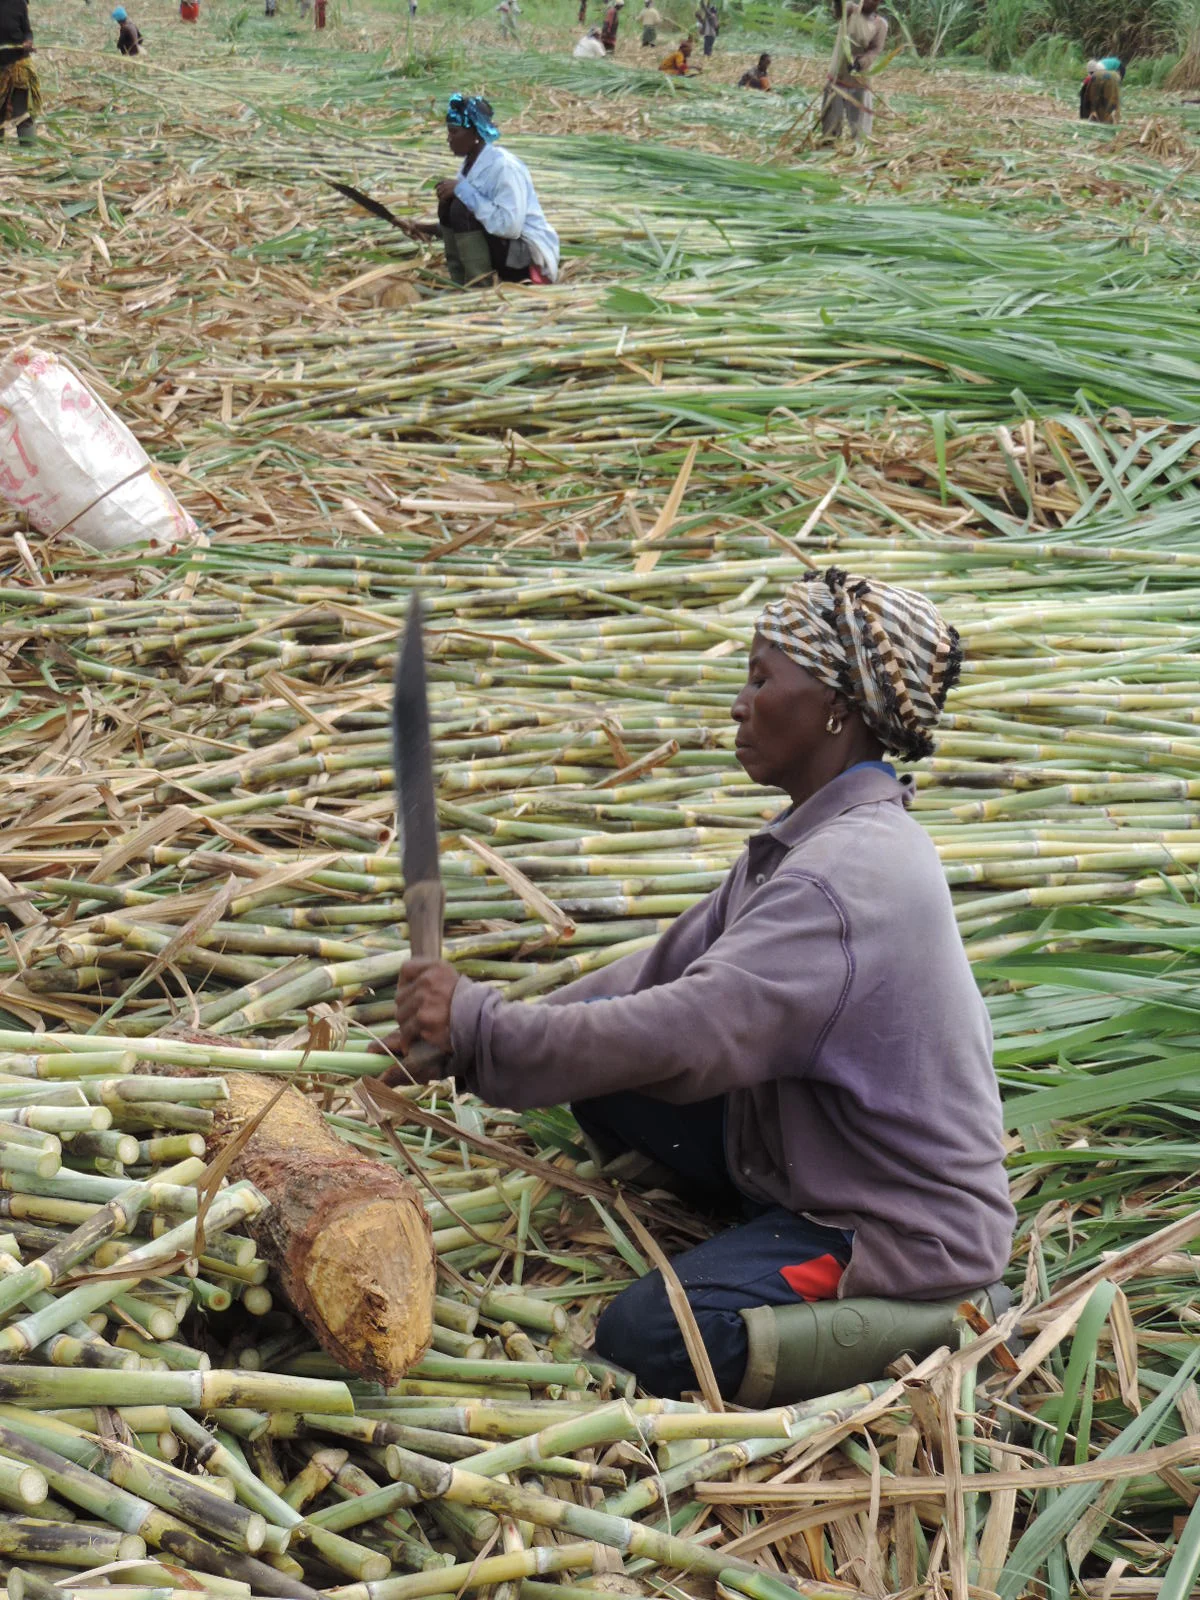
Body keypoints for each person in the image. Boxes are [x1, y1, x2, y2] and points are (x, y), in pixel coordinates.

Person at [376, 569, 1016, 1404]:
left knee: (647, 1337)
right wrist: (466, 1042)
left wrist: (486, 1026)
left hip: (890, 1224)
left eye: (760, 679)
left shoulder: (851, 877)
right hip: (800, 1152)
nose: (738, 705)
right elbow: (652, 977)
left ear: (834, 708)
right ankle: (759, 1238)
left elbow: (687, 1031)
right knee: (602, 1078)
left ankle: (941, 1315)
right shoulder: (808, 843)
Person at [430, 93, 559, 288]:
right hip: (504, 250)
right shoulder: (470, 165)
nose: (449, 139)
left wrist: (463, 190)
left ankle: (479, 287)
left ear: (475, 134)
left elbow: (509, 227)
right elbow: (469, 226)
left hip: (525, 256)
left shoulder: (503, 167)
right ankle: (459, 281)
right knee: (449, 202)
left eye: (454, 132)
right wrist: (420, 228)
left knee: (460, 205)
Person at [821, 0, 886, 140]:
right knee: (830, 127)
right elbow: (839, 11)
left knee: (860, 131)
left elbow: (874, 50)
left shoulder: (880, 24)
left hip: (860, 80)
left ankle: (859, 151)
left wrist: (860, 63)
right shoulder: (850, 9)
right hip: (838, 76)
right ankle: (828, 145)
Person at [0, 0, 38, 144]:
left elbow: (27, 32)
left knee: (22, 112)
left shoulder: (18, 3)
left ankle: (30, 152)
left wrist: (28, 42)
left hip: (18, 65)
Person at [1080, 57, 1121, 122]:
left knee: (1101, 100)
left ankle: (1100, 118)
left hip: (1108, 77)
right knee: (1112, 99)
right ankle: (1114, 117)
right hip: (1115, 76)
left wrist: (1092, 110)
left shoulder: (1095, 76)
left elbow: (1093, 95)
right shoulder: (1100, 69)